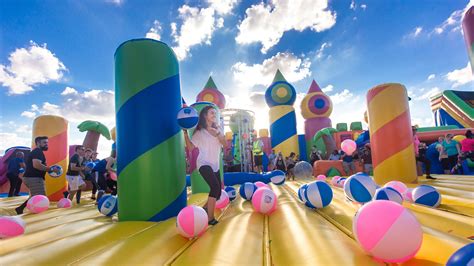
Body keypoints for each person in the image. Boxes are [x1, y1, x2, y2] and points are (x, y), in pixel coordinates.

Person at [183, 106, 226, 226]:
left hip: (215, 165)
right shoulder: (199, 132)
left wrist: (218, 133)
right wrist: (185, 134)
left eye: (215, 113)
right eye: (211, 112)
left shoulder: (218, 129)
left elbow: (224, 144)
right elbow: (191, 147)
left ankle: (203, 209)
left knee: (217, 194)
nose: (214, 114)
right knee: (215, 187)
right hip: (203, 163)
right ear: (205, 116)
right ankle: (210, 218)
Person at [15, 136, 60, 214]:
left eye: (47, 143)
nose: (47, 144)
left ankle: (20, 208)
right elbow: (36, 165)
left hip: (32, 178)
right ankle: (36, 214)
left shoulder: (37, 152)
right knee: (40, 197)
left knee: (34, 196)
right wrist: (51, 169)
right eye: (44, 143)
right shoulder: (38, 151)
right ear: (38, 143)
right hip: (34, 178)